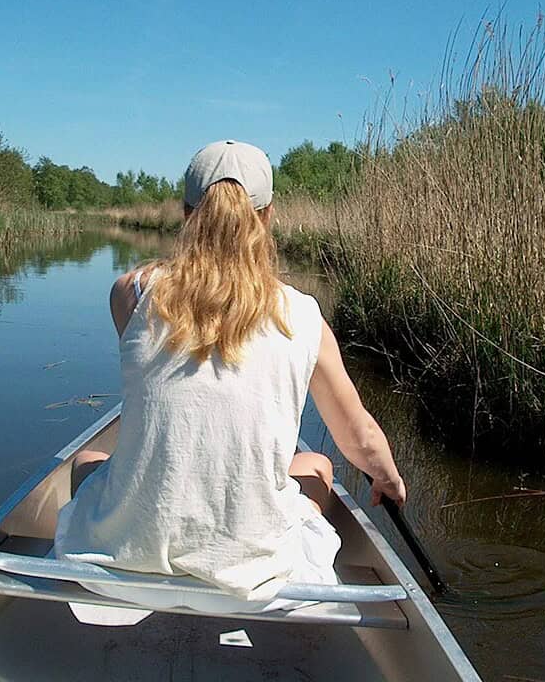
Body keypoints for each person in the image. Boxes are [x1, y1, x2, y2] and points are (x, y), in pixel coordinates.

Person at [53, 139, 406, 612]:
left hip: (125, 565)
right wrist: (387, 478)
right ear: (268, 216)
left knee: (86, 461)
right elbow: (358, 435)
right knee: (317, 466)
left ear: (186, 213)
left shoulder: (130, 293)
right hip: (252, 581)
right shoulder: (304, 316)